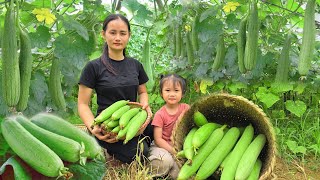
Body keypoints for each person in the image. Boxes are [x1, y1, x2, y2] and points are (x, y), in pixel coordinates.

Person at [77, 13, 153, 164]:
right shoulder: (93, 67)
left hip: (133, 119)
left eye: (122, 33)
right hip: (109, 127)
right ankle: (103, 146)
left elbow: (143, 92)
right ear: (103, 34)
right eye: (112, 32)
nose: (117, 38)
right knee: (141, 153)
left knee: (159, 129)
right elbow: (82, 104)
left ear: (129, 36)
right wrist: (94, 129)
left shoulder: (135, 65)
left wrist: (145, 105)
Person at [148, 74, 190, 179]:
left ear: (182, 93)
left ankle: (167, 175)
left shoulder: (186, 109)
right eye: (167, 90)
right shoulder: (160, 114)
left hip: (179, 148)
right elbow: (158, 139)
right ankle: (152, 173)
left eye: (176, 91)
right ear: (161, 93)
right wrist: (173, 151)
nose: (172, 94)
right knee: (165, 161)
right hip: (161, 147)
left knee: (178, 174)